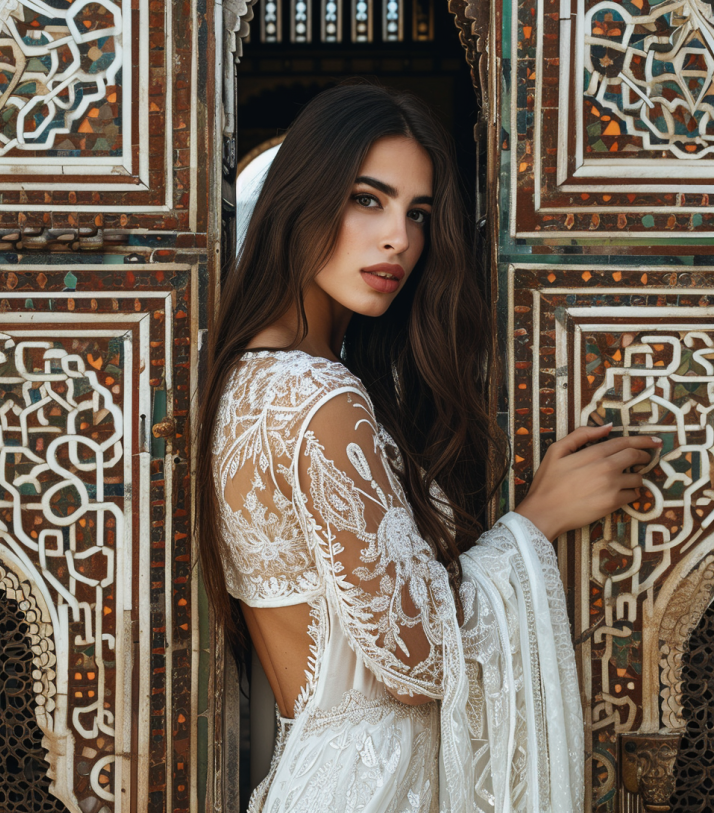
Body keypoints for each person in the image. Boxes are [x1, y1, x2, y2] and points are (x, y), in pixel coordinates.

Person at [196, 82, 660, 813]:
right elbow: (419, 662)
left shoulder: (245, 381)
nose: (399, 240)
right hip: (374, 786)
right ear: (301, 199)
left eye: (417, 213)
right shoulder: (323, 399)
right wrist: (535, 522)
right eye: (367, 199)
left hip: (317, 776)